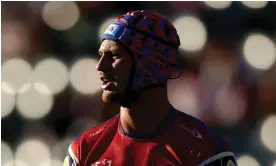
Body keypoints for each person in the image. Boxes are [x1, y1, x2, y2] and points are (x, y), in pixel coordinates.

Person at [63, 10, 237, 166]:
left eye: (114, 56)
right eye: (101, 55)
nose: (100, 67)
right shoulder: (83, 151)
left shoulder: (206, 151)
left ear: (150, 63)